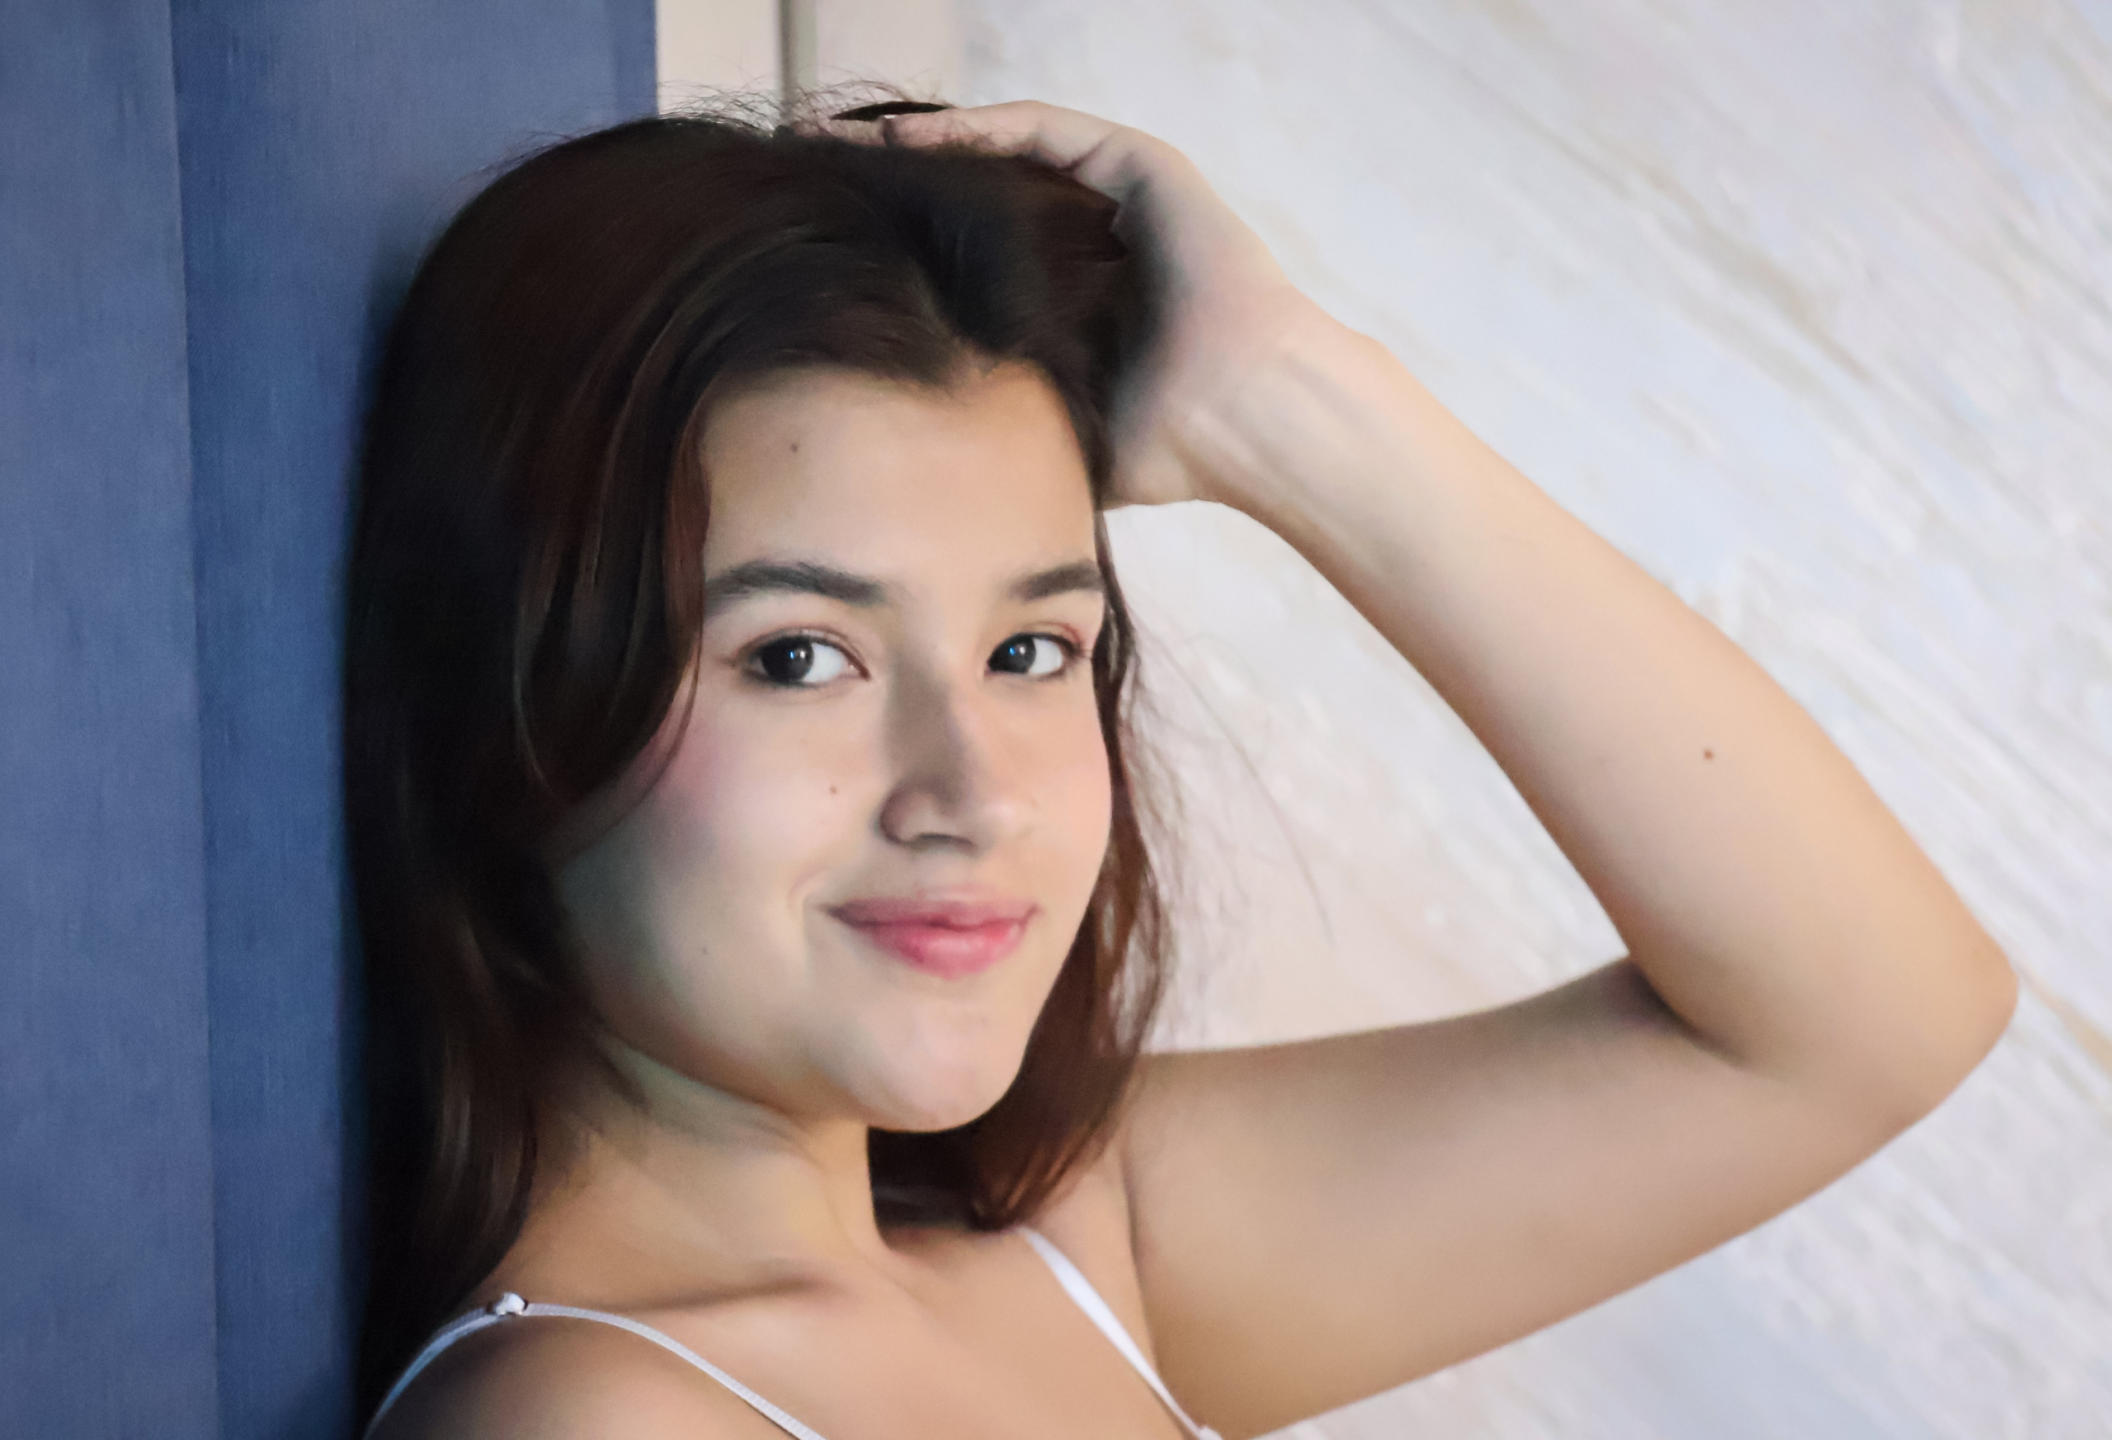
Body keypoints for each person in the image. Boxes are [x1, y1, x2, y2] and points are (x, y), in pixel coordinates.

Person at [344, 93, 2018, 1439]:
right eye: (800, 657)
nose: (976, 795)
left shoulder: (1086, 1253)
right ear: (512, 706)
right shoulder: (594, 1416)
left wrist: (1278, 401)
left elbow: (1867, 1018)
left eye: (1031, 651)